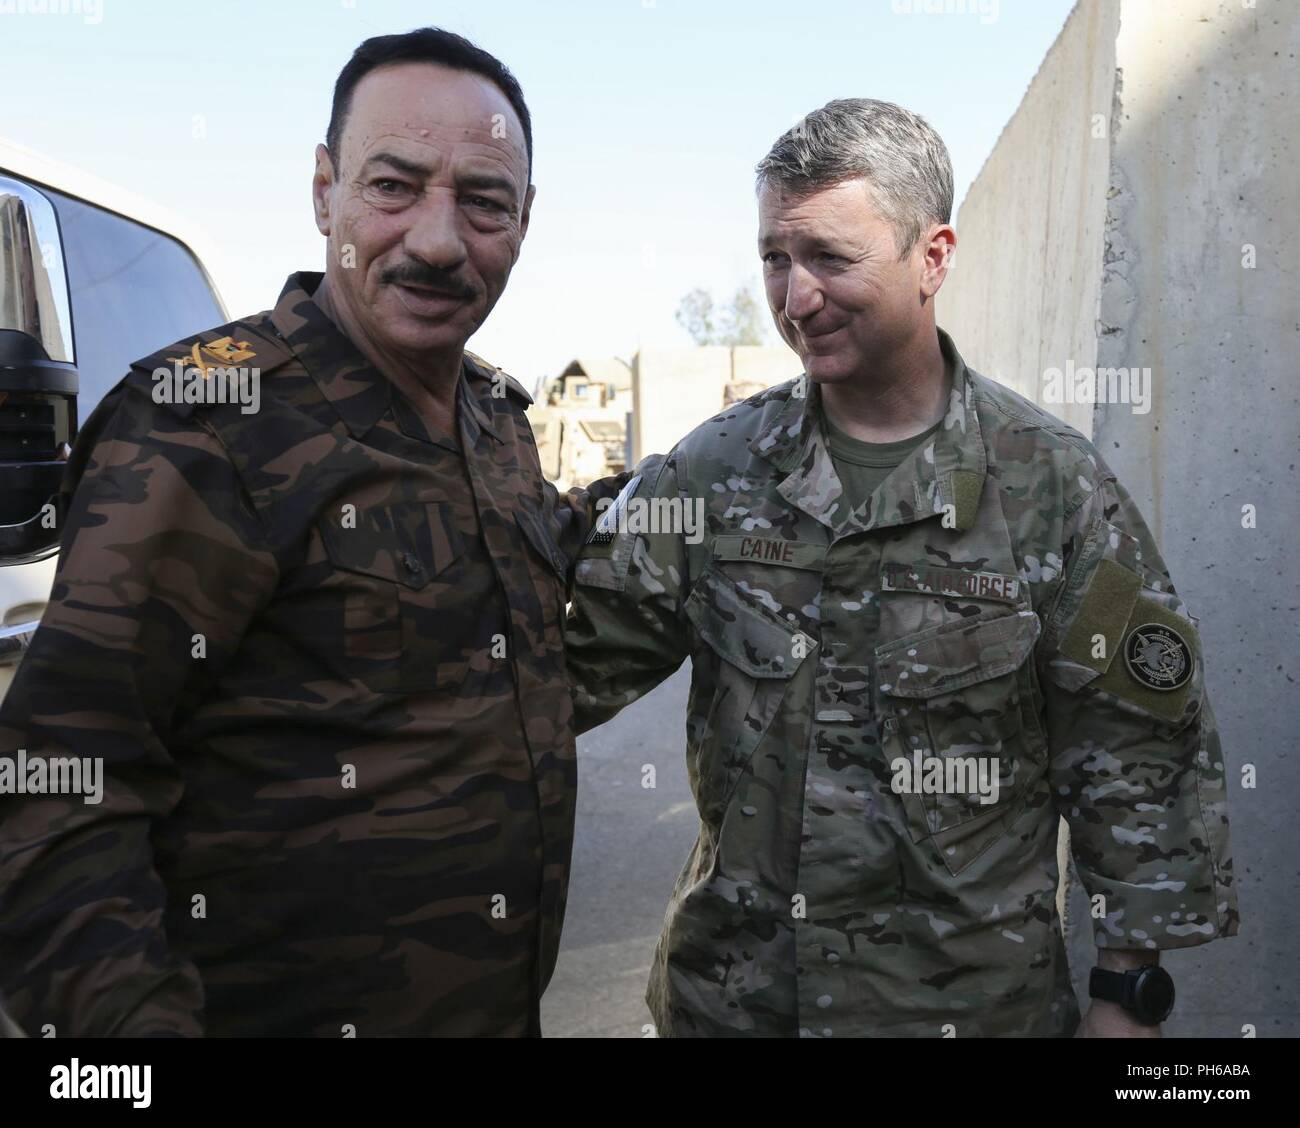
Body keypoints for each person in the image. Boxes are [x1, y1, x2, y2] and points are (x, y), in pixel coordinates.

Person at [565, 98, 1239, 1038]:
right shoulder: (712, 473)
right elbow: (558, 673)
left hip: (968, 1010)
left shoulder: (1051, 487)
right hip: (739, 1006)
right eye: (773, 258)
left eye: (831, 260)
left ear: (933, 257)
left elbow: (1135, 752)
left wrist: (1126, 999)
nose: (794, 298)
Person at [0, 27, 619, 1037]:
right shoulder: (206, 422)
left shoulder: (498, 426)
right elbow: (57, 797)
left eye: (483, 201)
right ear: (325, 190)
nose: (436, 238)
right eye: (393, 185)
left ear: (524, 219)